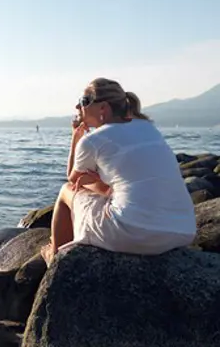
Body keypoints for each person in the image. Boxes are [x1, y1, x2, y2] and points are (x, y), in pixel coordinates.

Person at [40, 77, 196, 265]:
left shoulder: (92, 141)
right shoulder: (148, 128)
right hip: (182, 230)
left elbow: (72, 179)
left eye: (84, 101)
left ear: (103, 108)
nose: (77, 107)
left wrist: (76, 137)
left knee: (65, 191)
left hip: (132, 231)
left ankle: (55, 257)